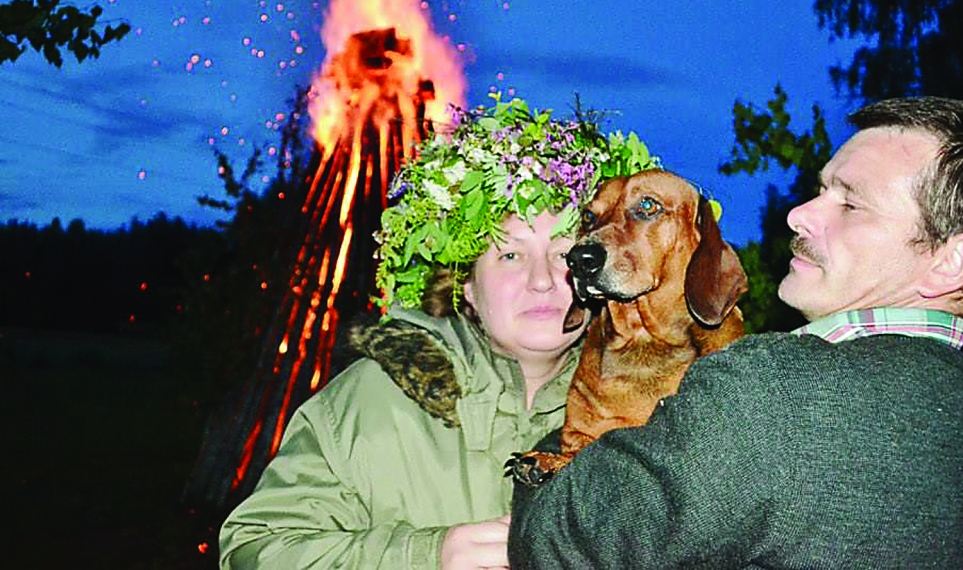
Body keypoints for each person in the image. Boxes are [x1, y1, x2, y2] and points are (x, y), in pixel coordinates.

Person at [509, 96, 963, 569]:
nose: (797, 215)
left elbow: (556, 543)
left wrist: (567, 446)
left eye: (851, 203)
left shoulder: (765, 391)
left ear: (952, 261)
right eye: (820, 191)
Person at [218, 96, 658, 569]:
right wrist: (424, 555)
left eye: (562, 252)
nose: (543, 279)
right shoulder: (372, 402)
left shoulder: (645, 414)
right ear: (466, 284)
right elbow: (254, 550)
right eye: (510, 255)